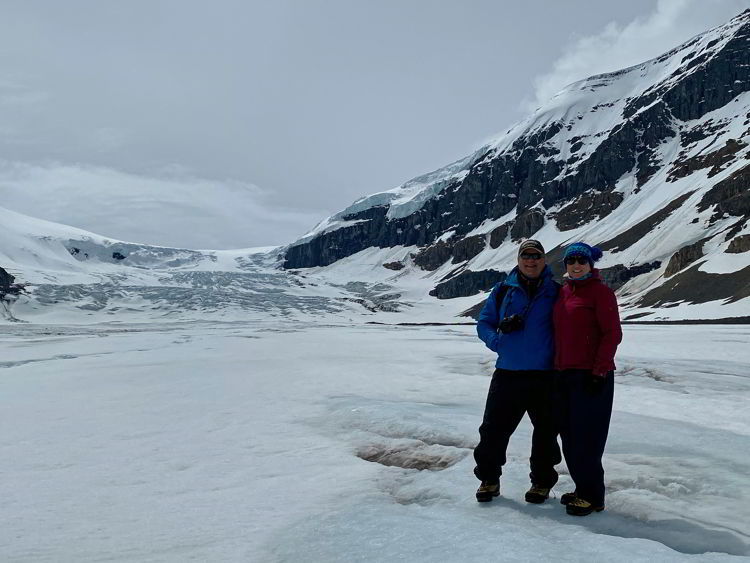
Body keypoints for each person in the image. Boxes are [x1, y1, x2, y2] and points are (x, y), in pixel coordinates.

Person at [474, 239, 562, 503]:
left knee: (546, 433)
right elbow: (484, 323)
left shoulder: (557, 292)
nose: (531, 261)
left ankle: (542, 483)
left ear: (544, 260)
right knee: (492, 431)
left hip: (545, 375)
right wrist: (496, 341)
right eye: (526, 256)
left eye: (536, 256)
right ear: (519, 260)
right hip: (508, 374)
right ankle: (489, 480)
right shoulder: (502, 291)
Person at [554, 242, 622, 516]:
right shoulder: (563, 293)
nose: (577, 265)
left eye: (582, 260)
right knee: (569, 436)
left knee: (587, 437)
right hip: (563, 375)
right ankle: (583, 487)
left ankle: (594, 496)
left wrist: (599, 371)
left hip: (592, 376)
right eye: (571, 261)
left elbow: (612, 334)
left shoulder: (601, 293)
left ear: (591, 263)